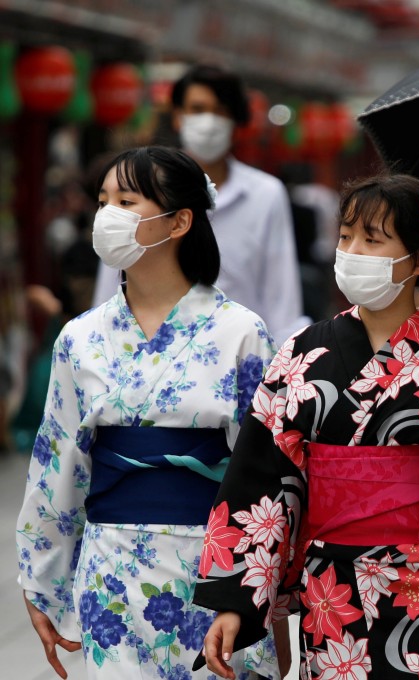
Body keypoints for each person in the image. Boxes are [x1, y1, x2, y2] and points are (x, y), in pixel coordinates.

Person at [193, 174, 419, 680]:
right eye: (346, 237)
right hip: (332, 597)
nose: (352, 251)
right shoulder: (302, 354)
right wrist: (236, 601)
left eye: (373, 240)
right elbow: (261, 481)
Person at [16, 146, 284, 679]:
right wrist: (41, 580)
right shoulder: (81, 337)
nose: (107, 214)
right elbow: (57, 466)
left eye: (126, 200)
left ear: (181, 220)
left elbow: (263, 474)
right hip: (109, 571)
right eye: (102, 200)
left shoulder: (240, 331)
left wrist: (255, 592)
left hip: (211, 572)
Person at [92, 64, 308, 342]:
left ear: (236, 120)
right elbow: (113, 270)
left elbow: (281, 291)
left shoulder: (266, 193)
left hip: (240, 356)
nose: (209, 121)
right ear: (178, 117)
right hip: (147, 350)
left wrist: (282, 365)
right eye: (197, 109)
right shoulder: (142, 188)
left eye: (220, 110)